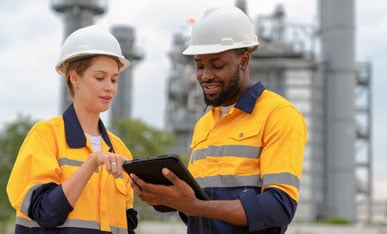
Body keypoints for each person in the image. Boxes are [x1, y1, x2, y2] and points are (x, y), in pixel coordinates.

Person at [130, 6, 307, 234]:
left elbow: (279, 207)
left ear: (243, 60)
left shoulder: (278, 114)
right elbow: (200, 211)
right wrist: (169, 198)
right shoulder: (204, 123)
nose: (205, 75)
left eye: (217, 65)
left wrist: (194, 206)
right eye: (200, 65)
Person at [7, 25, 138, 234]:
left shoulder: (119, 149)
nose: (109, 87)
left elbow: (126, 223)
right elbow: (46, 212)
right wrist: (92, 163)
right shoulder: (45, 136)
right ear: (74, 78)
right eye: (100, 77)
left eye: (114, 79)